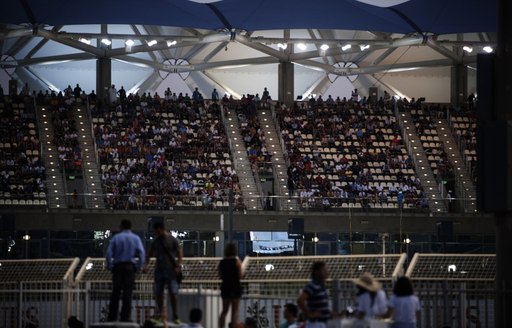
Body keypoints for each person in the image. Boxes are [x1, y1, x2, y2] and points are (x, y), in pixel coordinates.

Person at [144, 221, 183, 326]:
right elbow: (149, 255)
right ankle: (162, 315)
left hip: (169, 270)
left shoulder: (172, 240)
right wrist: (146, 265)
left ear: (161, 229)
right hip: (160, 270)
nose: (155, 233)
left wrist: (177, 266)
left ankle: (175, 315)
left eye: (156, 231)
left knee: (172, 293)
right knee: (159, 294)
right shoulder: (156, 241)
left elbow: (180, 254)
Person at [105, 219, 145, 322]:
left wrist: (110, 266)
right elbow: (141, 254)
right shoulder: (135, 238)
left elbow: (109, 253)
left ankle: (112, 316)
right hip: (130, 267)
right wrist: (138, 267)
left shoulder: (116, 238)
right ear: (130, 227)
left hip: (118, 267)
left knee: (116, 292)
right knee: (128, 293)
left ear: (121, 226)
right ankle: (125, 317)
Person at [297, 261, 331, 328]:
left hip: (322, 323)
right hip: (315, 323)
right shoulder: (312, 285)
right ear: (316, 272)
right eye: (324, 270)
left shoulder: (321, 286)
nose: (327, 272)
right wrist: (309, 314)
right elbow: (300, 300)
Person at [218, 242, 243, 328]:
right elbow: (240, 275)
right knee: (234, 310)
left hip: (225, 287)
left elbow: (220, 276)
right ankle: (233, 326)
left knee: (224, 310)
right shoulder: (237, 262)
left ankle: (221, 326)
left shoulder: (222, 262)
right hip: (235, 287)